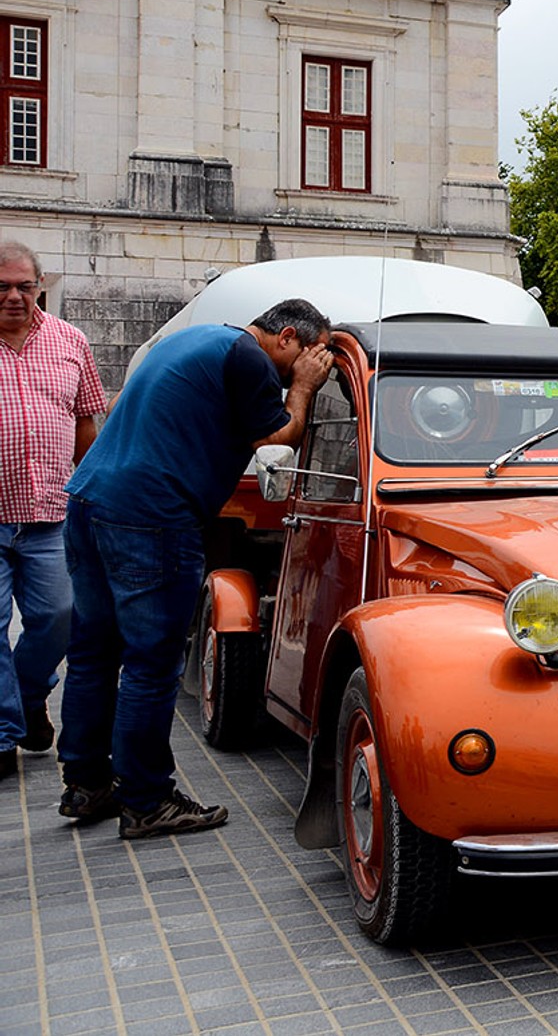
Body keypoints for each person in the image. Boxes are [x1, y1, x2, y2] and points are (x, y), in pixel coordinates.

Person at [57, 298, 332, 838]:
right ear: (289, 338)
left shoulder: (198, 338)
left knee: (94, 650)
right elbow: (276, 438)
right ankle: (147, 798)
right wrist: (300, 390)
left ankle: (87, 784)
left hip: (90, 500)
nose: (311, 365)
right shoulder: (251, 359)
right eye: (312, 353)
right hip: (151, 516)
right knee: (151, 662)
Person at [0, 243, 106, 783]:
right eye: (3, 287)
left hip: (50, 512)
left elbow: (89, 422)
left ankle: (26, 696)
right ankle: (1, 736)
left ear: (41, 284)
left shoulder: (71, 341)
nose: (15, 297)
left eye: (25, 285)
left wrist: (88, 496)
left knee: (59, 619)